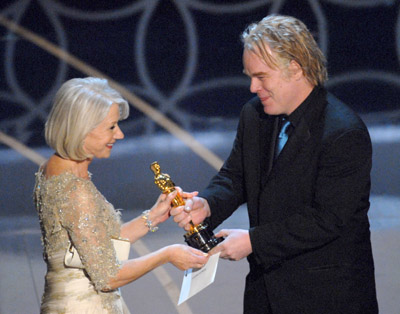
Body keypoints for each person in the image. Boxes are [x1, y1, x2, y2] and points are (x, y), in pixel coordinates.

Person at [171, 15, 378, 313]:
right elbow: (235, 177)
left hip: (327, 296)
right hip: (265, 293)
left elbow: (328, 218)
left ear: (294, 67)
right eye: (249, 76)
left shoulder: (343, 133)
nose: (253, 87)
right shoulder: (254, 116)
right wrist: (207, 205)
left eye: (261, 76)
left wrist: (254, 240)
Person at [34, 77, 209, 314]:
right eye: (111, 127)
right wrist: (167, 254)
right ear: (82, 128)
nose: (120, 135)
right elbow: (107, 275)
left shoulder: (56, 168)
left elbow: (91, 247)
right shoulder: (75, 190)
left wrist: (154, 217)